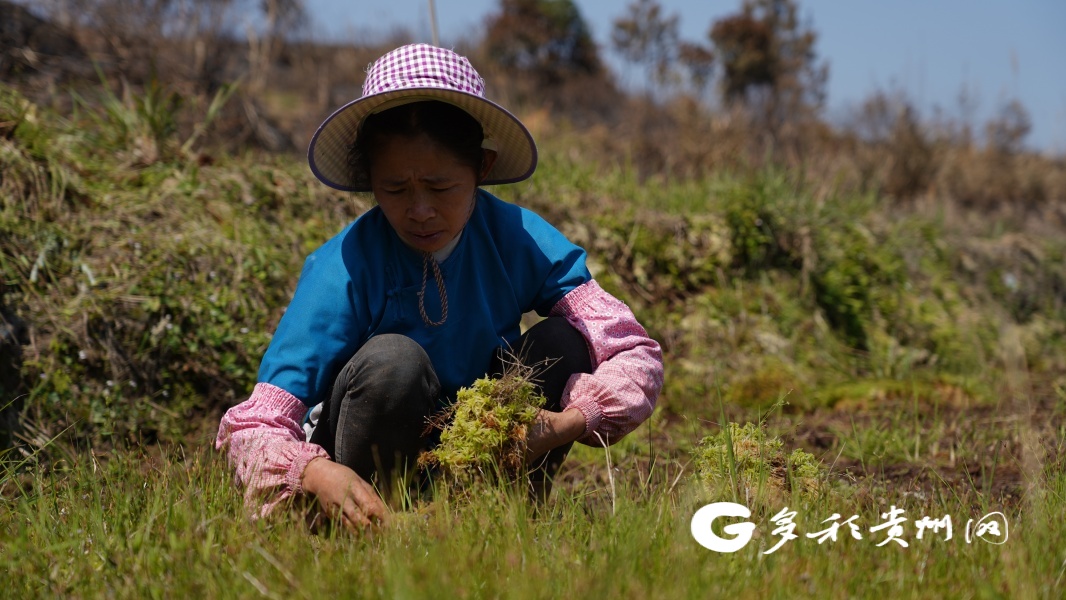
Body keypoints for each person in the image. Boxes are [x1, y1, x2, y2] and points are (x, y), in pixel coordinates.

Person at [215, 44, 663, 531]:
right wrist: (316, 471)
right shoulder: (342, 267)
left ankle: (505, 514)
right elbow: (257, 422)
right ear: (369, 181)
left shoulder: (518, 240)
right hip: (370, 463)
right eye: (395, 189)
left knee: (563, 341)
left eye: (441, 187)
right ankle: (379, 525)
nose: (420, 210)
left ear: (482, 169)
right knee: (394, 361)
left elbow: (631, 350)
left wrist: (565, 423)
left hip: (487, 450)